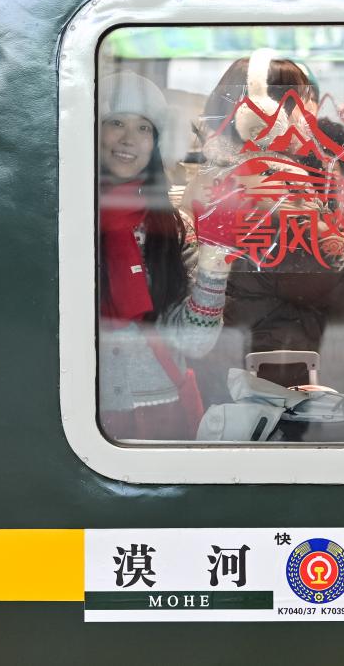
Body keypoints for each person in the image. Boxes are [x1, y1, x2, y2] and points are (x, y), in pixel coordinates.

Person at [185, 50, 344, 407]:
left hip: (250, 375)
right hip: (285, 388)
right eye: (303, 100)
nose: (312, 111)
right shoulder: (273, 187)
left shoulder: (224, 176)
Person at [97, 71, 235, 440]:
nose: (129, 138)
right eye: (116, 123)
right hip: (74, 407)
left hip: (161, 410)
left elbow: (195, 344)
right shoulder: (65, 222)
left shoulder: (173, 228)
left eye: (144, 128)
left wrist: (214, 268)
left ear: (156, 143)